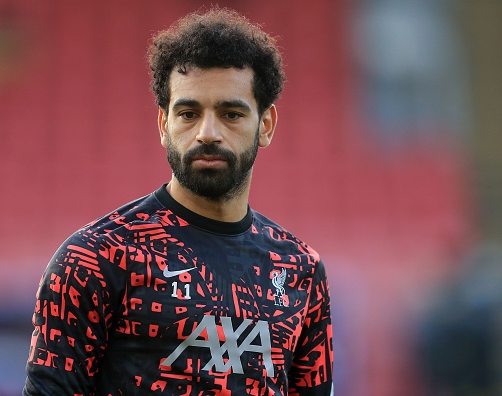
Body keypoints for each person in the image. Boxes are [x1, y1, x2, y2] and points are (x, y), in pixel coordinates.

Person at [23, 7, 333, 396]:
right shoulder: (96, 258)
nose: (207, 133)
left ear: (265, 125)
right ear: (163, 125)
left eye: (231, 114)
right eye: (188, 113)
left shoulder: (299, 270)